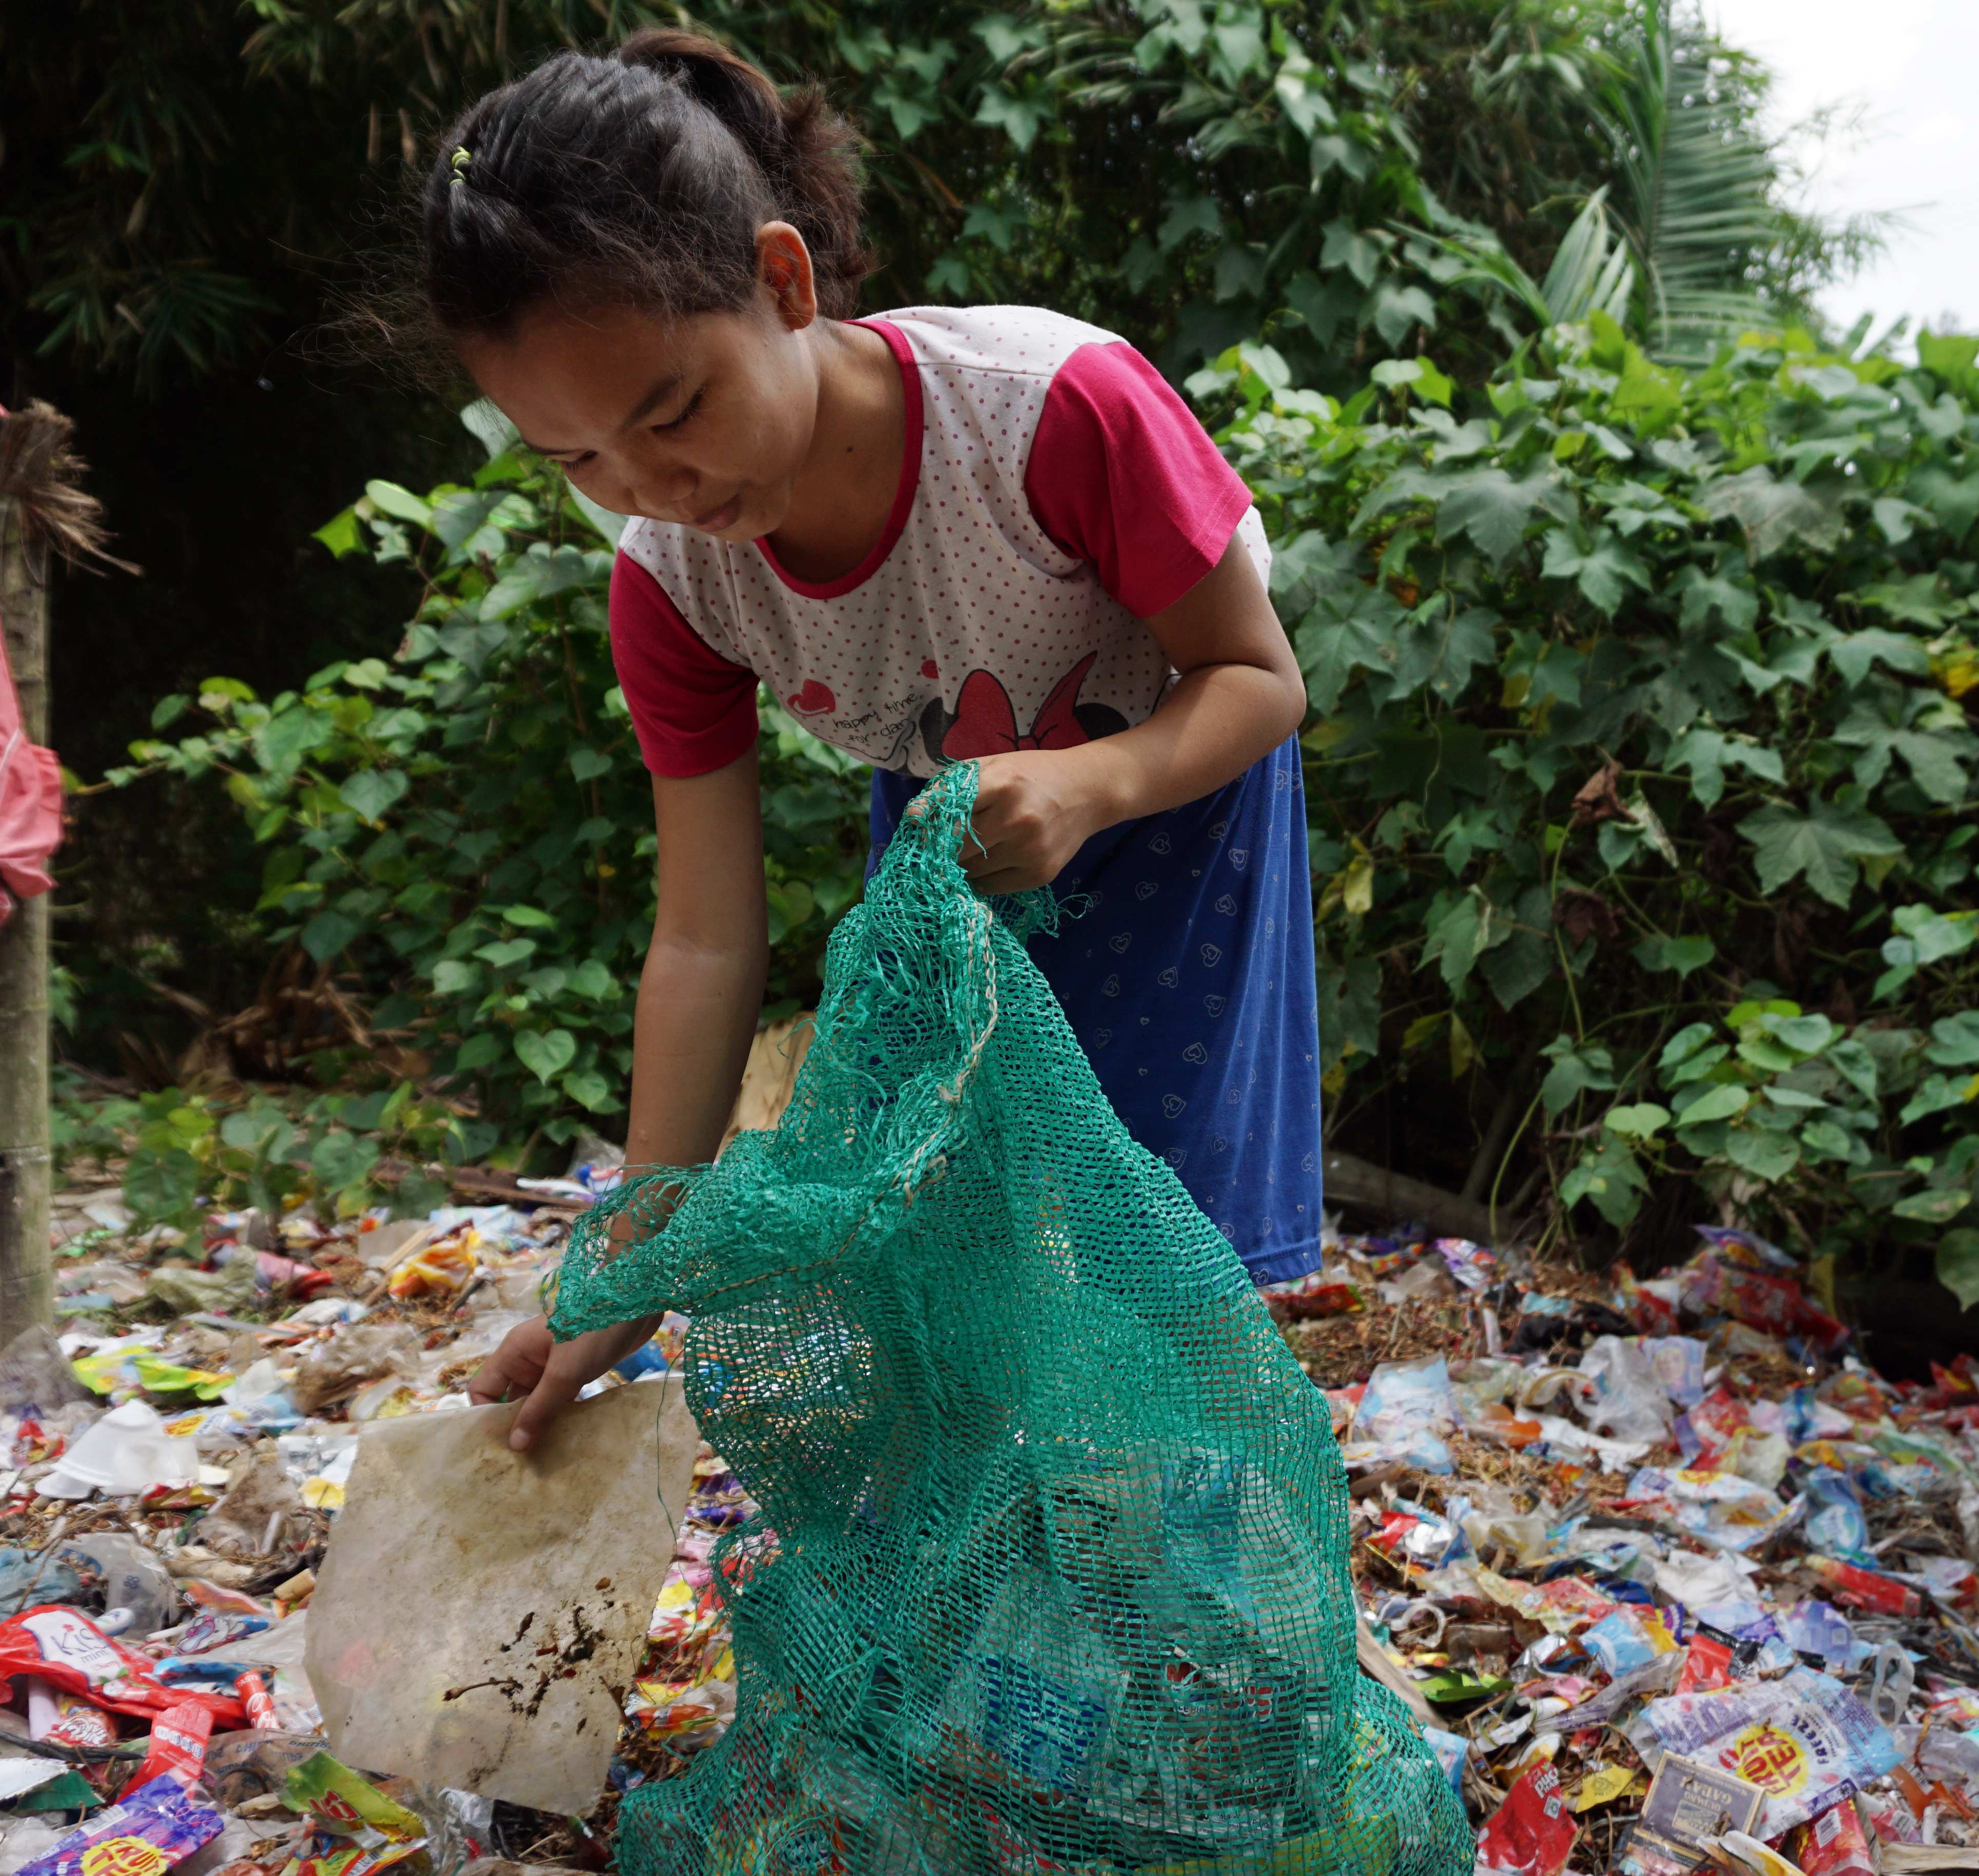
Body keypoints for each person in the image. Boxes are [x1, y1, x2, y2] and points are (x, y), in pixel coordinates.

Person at [449, 31, 1324, 1451]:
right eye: (580, 459)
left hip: (1177, 815)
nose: (653, 487)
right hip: (949, 862)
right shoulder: (672, 587)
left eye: (673, 413)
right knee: (954, 1262)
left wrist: (1096, 783)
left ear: (783, 283)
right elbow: (704, 942)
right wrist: (629, 1266)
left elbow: (1258, 679)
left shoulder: (1053, 410)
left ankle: (1167, 1541)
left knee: (1158, 1263)